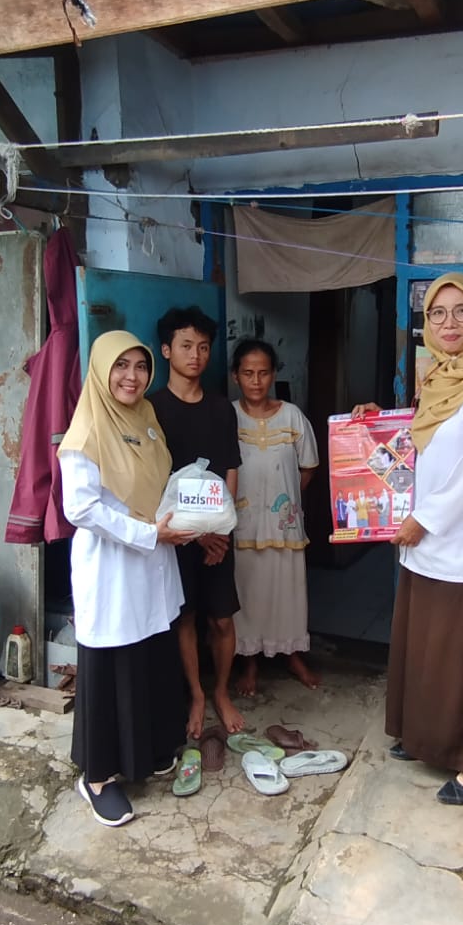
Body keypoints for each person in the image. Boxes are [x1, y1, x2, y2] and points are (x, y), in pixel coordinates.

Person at [353, 274, 463, 805]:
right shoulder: (434, 376)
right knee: (423, 652)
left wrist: (425, 519)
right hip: (422, 545)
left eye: (462, 312)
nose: (449, 324)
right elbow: (420, 446)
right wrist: (375, 425)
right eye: (438, 314)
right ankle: (424, 739)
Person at [58, 331, 190, 827]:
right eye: (120, 367)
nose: (131, 377)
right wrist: (146, 533)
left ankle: (148, 749)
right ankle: (97, 777)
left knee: (150, 653)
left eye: (139, 367)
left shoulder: (146, 419)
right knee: (112, 662)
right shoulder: (86, 432)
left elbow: (162, 483)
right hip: (113, 564)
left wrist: (183, 518)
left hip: (153, 558)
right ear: (100, 371)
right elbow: (81, 508)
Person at [151, 306, 244, 739]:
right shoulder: (150, 409)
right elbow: (150, 480)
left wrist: (219, 532)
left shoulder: (222, 409)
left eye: (204, 347)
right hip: (171, 536)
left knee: (222, 619)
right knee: (184, 617)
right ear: (167, 350)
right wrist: (192, 534)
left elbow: (230, 471)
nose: (196, 355)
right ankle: (197, 694)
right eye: (186, 346)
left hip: (219, 537)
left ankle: (221, 691)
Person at [231, 340, 320, 696]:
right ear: (236, 376)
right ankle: (249, 662)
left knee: (289, 594)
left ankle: (292, 654)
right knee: (247, 595)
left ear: (273, 374)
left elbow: (308, 468)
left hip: (285, 527)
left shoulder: (292, 416)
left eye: (263, 372)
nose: (256, 380)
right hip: (243, 527)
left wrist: (283, 502)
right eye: (248, 373)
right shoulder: (228, 416)